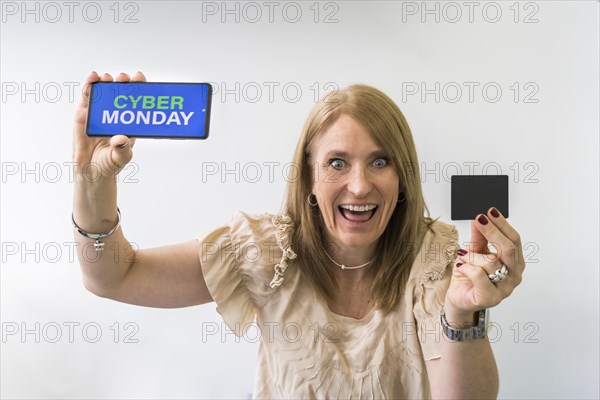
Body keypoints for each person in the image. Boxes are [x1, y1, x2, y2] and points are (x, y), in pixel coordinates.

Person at [72, 71, 525, 399]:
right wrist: (94, 181)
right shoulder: (264, 250)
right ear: (308, 178)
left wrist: (461, 314)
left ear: (403, 178)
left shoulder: (437, 257)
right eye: (337, 162)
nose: (360, 185)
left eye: (380, 161)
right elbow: (114, 277)